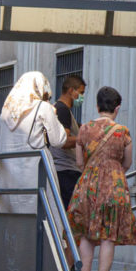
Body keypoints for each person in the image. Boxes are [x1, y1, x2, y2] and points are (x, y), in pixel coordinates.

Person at [0, 71, 67, 271]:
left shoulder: (6, 112)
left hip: (9, 178)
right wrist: (54, 118)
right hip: (36, 172)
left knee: (16, 228)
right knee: (48, 223)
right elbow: (59, 140)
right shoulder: (43, 108)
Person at [67, 87, 136, 271]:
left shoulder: (84, 129)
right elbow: (127, 163)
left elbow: (79, 162)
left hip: (87, 184)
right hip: (114, 186)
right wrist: (112, 171)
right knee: (109, 236)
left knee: (86, 236)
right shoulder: (122, 131)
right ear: (117, 108)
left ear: (97, 107)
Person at [51, 74, 86, 210]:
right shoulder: (62, 110)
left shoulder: (60, 110)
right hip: (66, 172)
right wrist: (84, 139)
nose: (82, 97)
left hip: (64, 171)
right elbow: (63, 141)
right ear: (71, 90)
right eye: (81, 93)